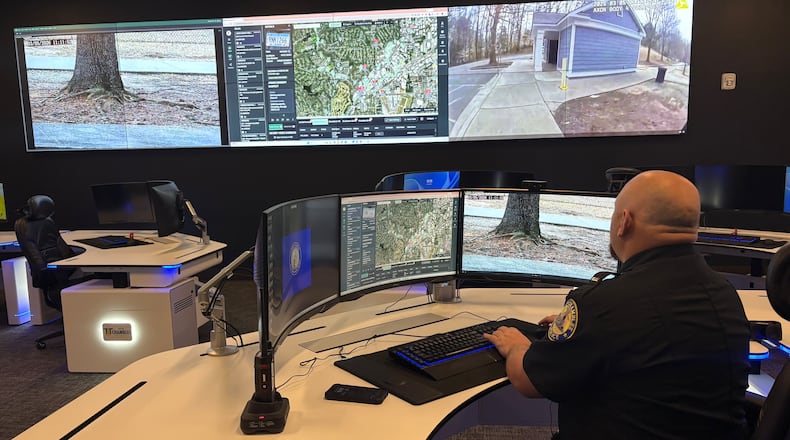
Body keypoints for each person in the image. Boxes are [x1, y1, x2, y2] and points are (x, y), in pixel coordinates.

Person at [483, 170, 751, 439]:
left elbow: (528, 382)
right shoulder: (723, 292)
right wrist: (588, 328)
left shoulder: (603, 304)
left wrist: (517, 345)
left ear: (624, 221)